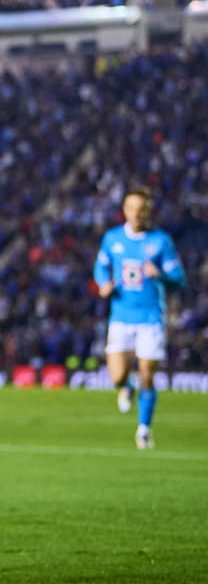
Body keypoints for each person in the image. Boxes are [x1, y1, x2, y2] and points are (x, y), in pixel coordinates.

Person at [92, 186, 186, 449]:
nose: (136, 214)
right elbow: (100, 265)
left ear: (148, 212)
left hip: (150, 318)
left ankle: (144, 429)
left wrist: (160, 275)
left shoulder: (160, 242)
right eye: (132, 209)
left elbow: (179, 280)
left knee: (147, 374)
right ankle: (126, 386)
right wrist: (103, 283)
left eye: (141, 209)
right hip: (120, 316)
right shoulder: (112, 239)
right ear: (124, 210)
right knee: (117, 377)